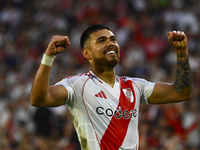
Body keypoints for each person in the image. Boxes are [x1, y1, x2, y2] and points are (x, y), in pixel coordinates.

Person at [29, 24, 192, 150]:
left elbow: (181, 93)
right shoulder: (77, 85)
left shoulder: (135, 86)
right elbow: (39, 99)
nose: (111, 43)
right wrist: (48, 57)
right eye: (102, 41)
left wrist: (182, 52)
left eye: (113, 39)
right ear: (87, 54)